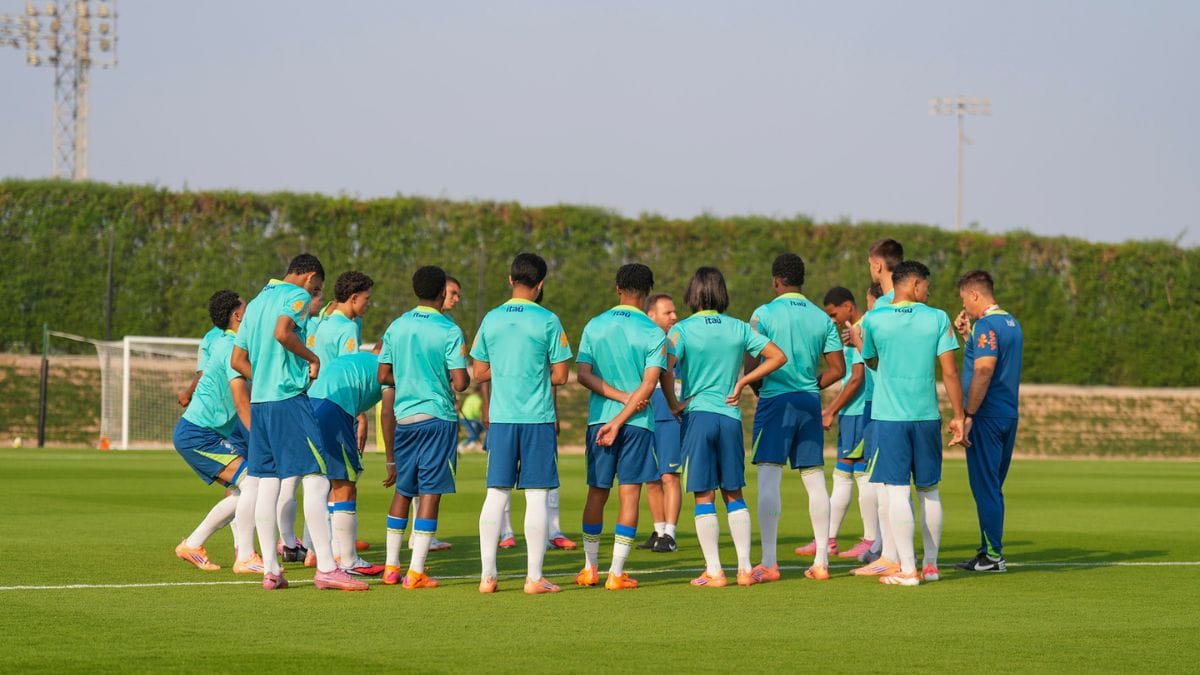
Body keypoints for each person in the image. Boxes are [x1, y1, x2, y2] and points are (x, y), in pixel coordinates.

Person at [230, 253, 368, 591]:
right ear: (309, 278)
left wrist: (264, 379)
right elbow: (283, 332)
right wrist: (312, 357)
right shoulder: (297, 296)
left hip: (262, 403)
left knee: (268, 482)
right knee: (319, 477)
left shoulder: (260, 299)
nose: (315, 293)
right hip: (289, 400)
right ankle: (325, 567)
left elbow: (237, 360)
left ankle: (272, 570)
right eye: (317, 286)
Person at [663, 267, 787, 587]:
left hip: (698, 416)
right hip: (730, 416)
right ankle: (745, 569)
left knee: (704, 494)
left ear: (693, 292)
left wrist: (673, 402)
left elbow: (665, 366)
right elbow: (777, 356)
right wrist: (744, 381)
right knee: (734, 492)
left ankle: (714, 571)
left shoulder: (682, 330)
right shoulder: (739, 327)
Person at [859, 260, 967, 586]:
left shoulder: (874, 319)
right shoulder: (937, 318)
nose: (929, 292)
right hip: (927, 417)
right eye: (927, 286)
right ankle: (931, 566)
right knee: (929, 491)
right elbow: (949, 371)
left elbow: (871, 359)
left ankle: (907, 568)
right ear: (915, 284)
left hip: (889, 417)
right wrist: (960, 416)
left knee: (896, 492)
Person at [472, 252, 573, 594]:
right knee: (536, 497)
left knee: (496, 495)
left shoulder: (491, 318)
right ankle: (534, 578)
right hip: (537, 419)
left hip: (501, 419)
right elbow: (561, 375)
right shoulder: (548, 320)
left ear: (509, 279)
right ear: (541, 283)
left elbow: (478, 372)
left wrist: (505, 368)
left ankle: (487, 576)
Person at [747, 254, 845, 583]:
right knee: (815, 480)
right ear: (801, 280)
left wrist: (758, 388)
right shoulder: (821, 318)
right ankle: (821, 562)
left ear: (777, 281)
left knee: (769, 480)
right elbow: (838, 369)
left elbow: (751, 364)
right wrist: (810, 386)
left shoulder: (763, 313)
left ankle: (769, 561)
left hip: (775, 400)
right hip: (808, 401)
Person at [573, 263, 666, 591]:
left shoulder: (595, 325)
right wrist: (626, 409)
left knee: (596, 493)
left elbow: (583, 374)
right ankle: (616, 573)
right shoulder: (655, 332)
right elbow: (650, 382)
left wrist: (614, 411)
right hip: (638, 423)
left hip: (600, 421)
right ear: (648, 292)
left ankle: (590, 568)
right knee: (630, 495)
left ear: (617, 288)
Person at [378, 265, 470, 589]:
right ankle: (415, 572)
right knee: (431, 492)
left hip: (404, 417)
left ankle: (391, 568)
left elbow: (383, 376)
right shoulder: (449, 330)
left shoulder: (397, 326)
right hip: (437, 418)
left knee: (405, 489)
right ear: (442, 293)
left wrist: (410, 378)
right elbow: (460, 382)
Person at [172, 290, 262, 575]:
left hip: (201, 433)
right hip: (198, 434)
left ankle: (194, 544)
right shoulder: (231, 348)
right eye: (247, 309)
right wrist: (261, 436)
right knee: (252, 483)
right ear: (237, 316)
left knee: (244, 489)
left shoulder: (226, 342)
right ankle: (245, 556)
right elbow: (240, 399)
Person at [954, 270, 1023, 573]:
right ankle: (987, 552)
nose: (964, 307)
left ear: (974, 295)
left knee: (986, 487)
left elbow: (984, 370)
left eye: (964, 300)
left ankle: (993, 556)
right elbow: (993, 356)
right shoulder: (1011, 323)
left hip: (987, 415)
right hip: (1008, 412)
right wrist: (968, 338)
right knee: (993, 486)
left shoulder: (987, 325)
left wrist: (968, 415)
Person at [307, 347, 386, 577]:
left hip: (311, 405)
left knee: (326, 482)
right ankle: (349, 560)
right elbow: (389, 414)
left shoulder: (358, 359)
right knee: (345, 485)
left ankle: (332, 552)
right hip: (334, 410)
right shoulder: (388, 368)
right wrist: (392, 460)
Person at [820, 286, 876, 561]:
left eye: (833, 314)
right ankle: (828, 539)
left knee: (861, 476)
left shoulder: (862, 329)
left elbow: (857, 378)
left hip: (858, 412)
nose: (832, 320)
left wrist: (830, 409)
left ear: (848, 306)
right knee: (843, 474)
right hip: (851, 414)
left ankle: (870, 539)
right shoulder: (853, 331)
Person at [640, 293, 682, 553]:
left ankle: (670, 534)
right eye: (668, 313)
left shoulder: (674, 343)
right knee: (651, 477)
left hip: (667, 411)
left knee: (669, 475)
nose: (674, 317)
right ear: (651, 315)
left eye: (674, 312)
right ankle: (658, 530)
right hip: (644, 410)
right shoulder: (639, 340)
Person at [175, 290, 232, 408]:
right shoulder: (245, 333)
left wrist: (187, 394)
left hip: (216, 405)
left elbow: (203, 373)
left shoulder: (209, 338)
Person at [867, 238, 904, 309]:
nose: (870, 268)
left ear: (878, 266)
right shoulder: (910, 298)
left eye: (870, 264)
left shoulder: (881, 305)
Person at [459, 387, 485, 451]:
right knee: (474, 434)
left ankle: (472, 443)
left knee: (479, 429)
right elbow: (477, 411)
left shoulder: (469, 397)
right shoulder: (478, 399)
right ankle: (461, 446)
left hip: (464, 417)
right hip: (469, 418)